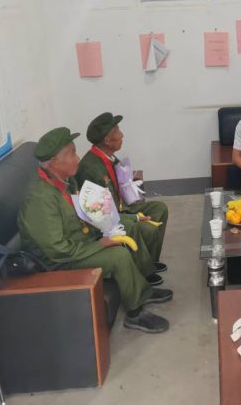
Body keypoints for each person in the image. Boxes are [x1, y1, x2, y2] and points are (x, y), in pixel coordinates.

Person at [18, 127, 173, 333]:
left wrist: (118, 223)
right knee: (118, 255)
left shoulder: (67, 182)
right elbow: (57, 249)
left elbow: (89, 211)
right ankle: (135, 314)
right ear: (55, 162)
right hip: (59, 261)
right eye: (72, 153)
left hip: (80, 242)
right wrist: (100, 243)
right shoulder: (40, 199)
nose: (77, 158)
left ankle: (143, 289)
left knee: (125, 232)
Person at [76, 112, 169, 273]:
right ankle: (144, 272)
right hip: (107, 218)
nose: (122, 135)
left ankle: (150, 261)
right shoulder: (89, 168)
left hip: (122, 207)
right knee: (144, 228)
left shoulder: (110, 158)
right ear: (107, 140)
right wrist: (134, 217)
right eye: (118, 131)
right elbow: (99, 213)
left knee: (159, 208)